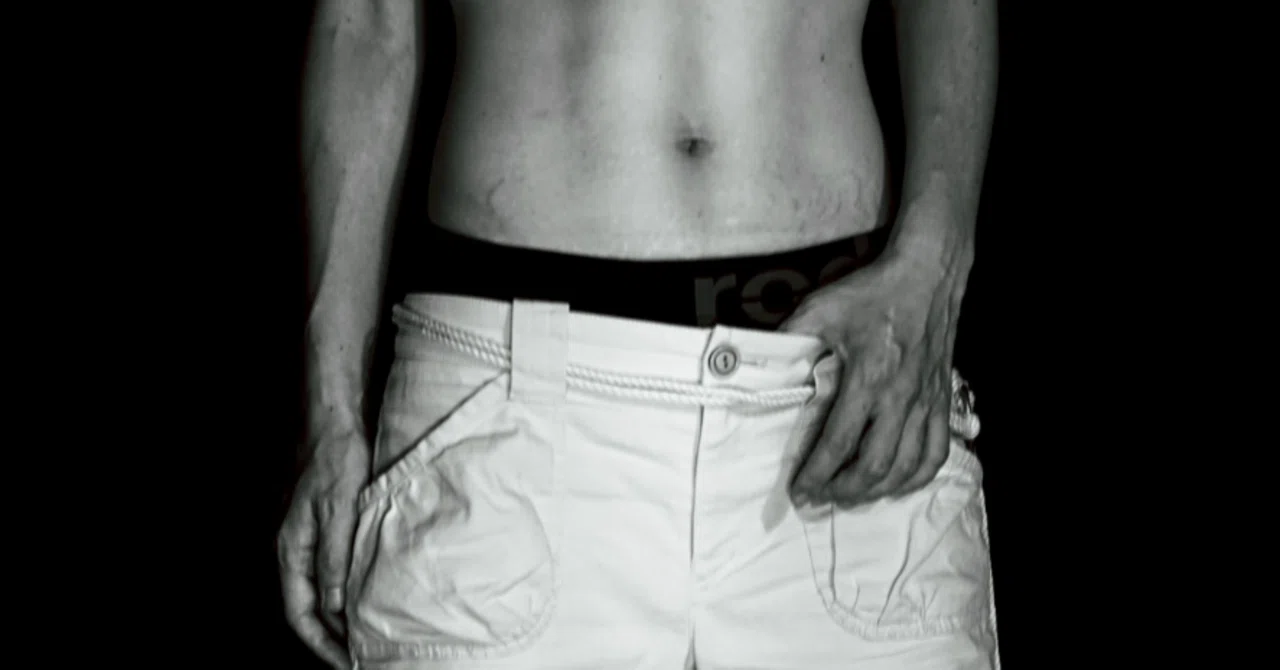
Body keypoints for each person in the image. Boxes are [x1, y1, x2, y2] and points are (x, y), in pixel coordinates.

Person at [278, 0, 999, 668]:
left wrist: (936, 263)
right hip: (507, 427)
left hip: (848, 403)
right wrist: (331, 414)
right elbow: (368, 20)